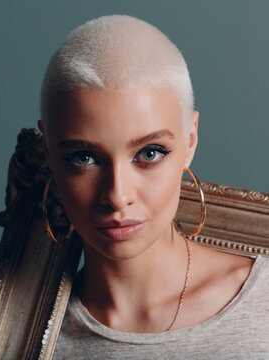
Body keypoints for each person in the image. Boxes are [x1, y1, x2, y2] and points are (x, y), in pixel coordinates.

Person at [36, 15, 269, 358]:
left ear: (190, 141)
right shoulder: (22, 332)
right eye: (84, 158)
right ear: (48, 154)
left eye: (149, 153)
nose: (117, 196)